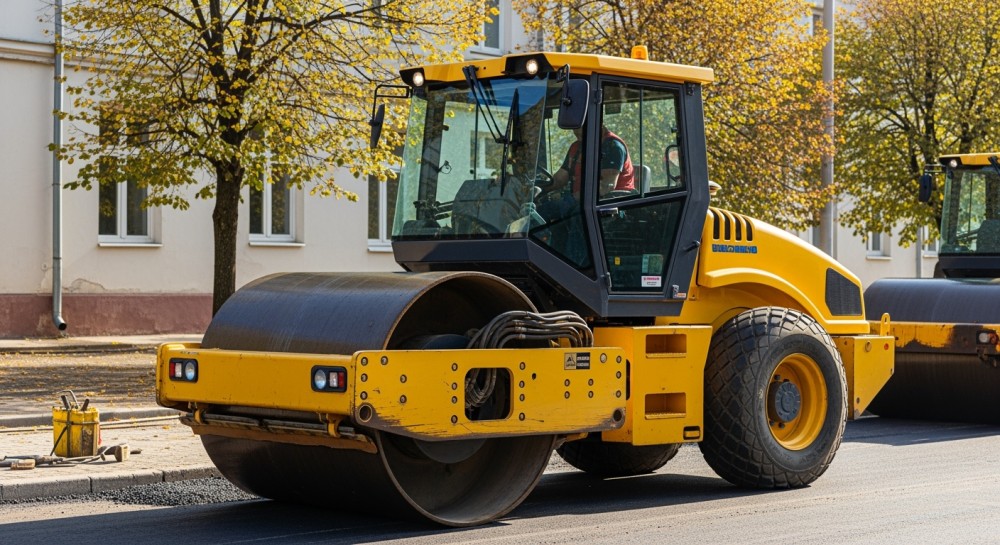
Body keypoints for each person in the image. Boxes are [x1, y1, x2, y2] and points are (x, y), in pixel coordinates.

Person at [551, 125, 635, 197]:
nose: (576, 131)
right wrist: (542, 187)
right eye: (575, 126)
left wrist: (572, 199)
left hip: (610, 206)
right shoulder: (576, 146)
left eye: (581, 125)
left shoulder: (613, 146)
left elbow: (606, 186)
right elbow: (560, 178)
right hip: (580, 203)